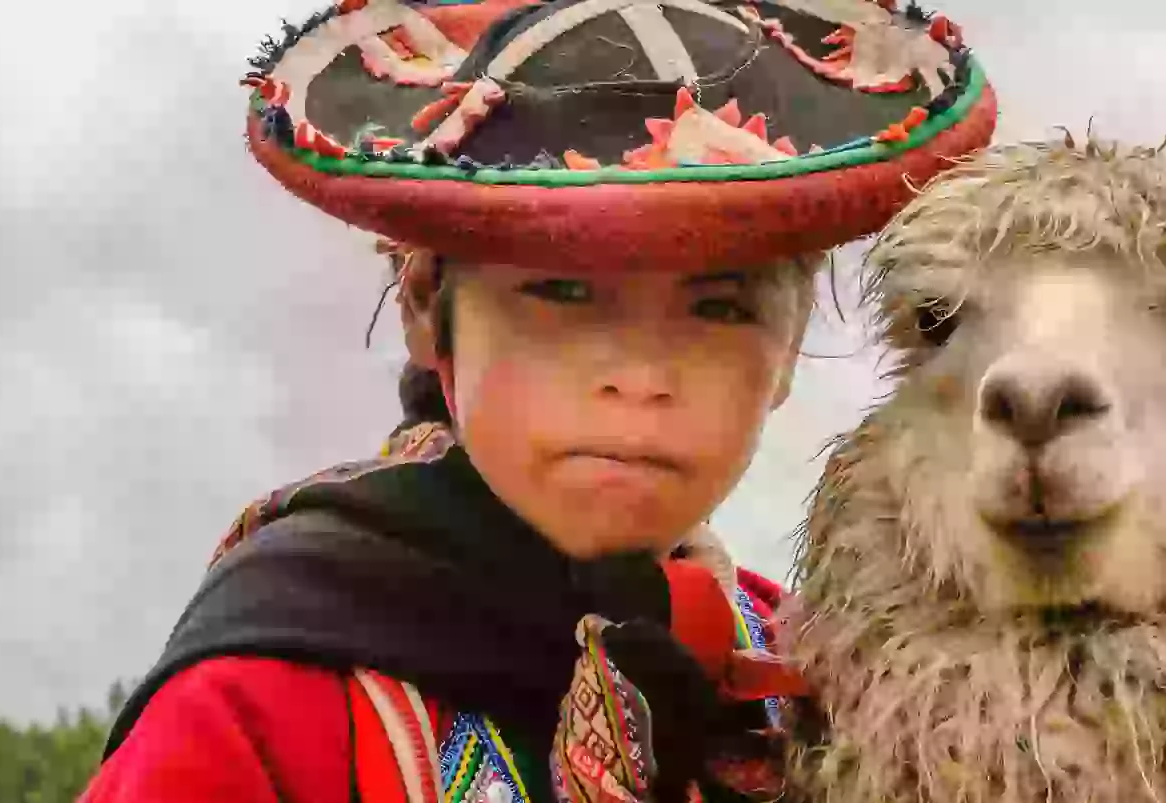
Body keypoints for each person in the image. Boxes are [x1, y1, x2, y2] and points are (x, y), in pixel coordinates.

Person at [79, 0, 997, 800]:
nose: (641, 375)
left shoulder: (827, 684)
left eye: (720, 306)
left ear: (789, 347)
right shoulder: (257, 710)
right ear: (427, 308)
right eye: (561, 293)